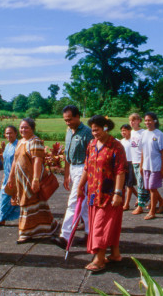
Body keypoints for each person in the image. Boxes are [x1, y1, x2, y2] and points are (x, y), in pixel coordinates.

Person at [76, 115, 126, 273]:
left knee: (101, 226)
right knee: (107, 224)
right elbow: (86, 167)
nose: (94, 133)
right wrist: (80, 185)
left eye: (97, 130)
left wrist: (118, 193)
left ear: (105, 127)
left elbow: (121, 171)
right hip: (93, 192)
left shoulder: (115, 146)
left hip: (109, 193)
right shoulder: (91, 144)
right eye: (92, 130)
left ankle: (99, 259)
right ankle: (115, 254)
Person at [4, 117, 59, 243]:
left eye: (26, 127)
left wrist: (35, 179)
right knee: (38, 204)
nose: (23, 130)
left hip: (31, 178)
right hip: (20, 180)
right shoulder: (20, 142)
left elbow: (37, 161)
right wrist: (11, 177)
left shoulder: (36, 141)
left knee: (27, 203)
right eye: (21, 127)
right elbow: (15, 161)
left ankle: (25, 233)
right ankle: (51, 225)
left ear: (32, 128)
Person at [55, 105, 92, 249]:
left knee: (74, 202)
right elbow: (67, 155)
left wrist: (84, 177)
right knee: (84, 206)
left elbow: (91, 157)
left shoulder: (87, 133)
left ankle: (65, 236)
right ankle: (90, 234)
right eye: (65, 120)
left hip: (84, 169)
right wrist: (66, 175)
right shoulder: (69, 131)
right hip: (73, 169)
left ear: (78, 117)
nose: (68, 122)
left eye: (70, 119)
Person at [137, 111, 163, 219]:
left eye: (149, 120)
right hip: (146, 165)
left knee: (153, 188)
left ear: (154, 121)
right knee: (149, 187)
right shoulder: (144, 134)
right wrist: (141, 165)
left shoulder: (159, 134)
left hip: (155, 165)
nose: (147, 122)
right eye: (146, 120)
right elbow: (142, 151)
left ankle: (152, 211)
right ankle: (162, 201)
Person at [0, 125, 21, 227]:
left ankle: (1, 219)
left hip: (16, 177)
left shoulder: (18, 145)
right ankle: (2, 218)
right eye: (7, 133)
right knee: (4, 197)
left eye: (11, 133)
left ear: (15, 133)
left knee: (9, 198)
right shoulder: (8, 145)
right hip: (7, 176)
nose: (8, 135)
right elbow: (6, 162)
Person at [128, 113, 149, 215]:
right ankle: (160, 201)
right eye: (130, 120)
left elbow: (145, 149)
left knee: (141, 184)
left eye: (133, 120)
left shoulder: (143, 133)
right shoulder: (131, 132)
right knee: (142, 184)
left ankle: (140, 206)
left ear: (139, 121)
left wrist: (142, 163)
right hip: (134, 161)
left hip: (141, 161)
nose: (131, 122)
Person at [118, 123, 138, 210]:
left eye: (125, 130)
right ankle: (140, 197)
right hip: (124, 163)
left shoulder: (132, 141)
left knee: (129, 185)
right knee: (127, 184)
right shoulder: (121, 141)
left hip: (131, 163)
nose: (123, 132)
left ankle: (126, 204)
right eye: (122, 131)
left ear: (130, 131)